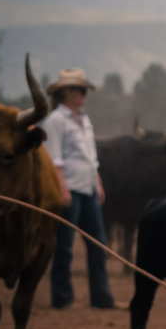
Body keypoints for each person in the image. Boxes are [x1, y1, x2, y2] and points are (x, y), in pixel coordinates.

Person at [42, 68, 119, 309]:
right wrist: (62, 188)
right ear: (65, 93)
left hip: (88, 188)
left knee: (98, 243)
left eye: (84, 90)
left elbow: (90, 155)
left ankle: (101, 297)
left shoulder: (84, 120)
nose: (83, 94)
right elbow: (54, 158)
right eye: (78, 90)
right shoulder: (55, 120)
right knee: (64, 246)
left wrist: (97, 180)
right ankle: (62, 298)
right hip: (70, 188)